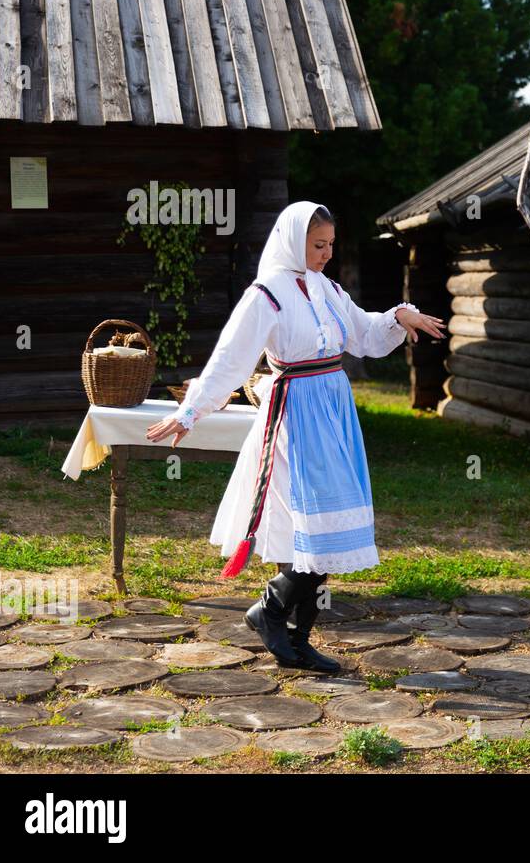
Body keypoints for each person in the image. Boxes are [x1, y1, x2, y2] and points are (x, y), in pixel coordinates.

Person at [145, 201, 445, 671]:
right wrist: (191, 410)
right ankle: (275, 619)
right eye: (318, 245)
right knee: (314, 527)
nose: (326, 254)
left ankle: (292, 632)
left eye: (330, 245)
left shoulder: (326, 289)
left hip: (332, 411)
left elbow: (362, 334)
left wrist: (398, 316)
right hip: (294, 417)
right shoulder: (267, 295)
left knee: (326, 528)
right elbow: (232, 359)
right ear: (293, 241)